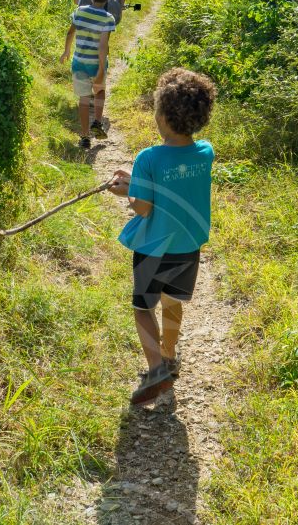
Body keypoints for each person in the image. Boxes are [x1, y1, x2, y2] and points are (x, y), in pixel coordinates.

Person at [107, 67, 217, 407]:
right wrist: (137, 178)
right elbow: (173, 181)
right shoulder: (206, 152)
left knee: (143, 308)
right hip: (188, 247)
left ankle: (156, 369)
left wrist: (126, 189)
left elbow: (142, 207)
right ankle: (169, 355)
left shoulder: (149, 157)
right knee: (172, 302)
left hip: (154, 248)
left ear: (165, 116)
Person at [69, 0, 129, 137]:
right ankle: (99, 79)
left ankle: (86, 84)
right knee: (104, 41)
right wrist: (120, 2)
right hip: (109, 2)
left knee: (83, 37)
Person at [61, 0, 118, 150]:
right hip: (96, 64)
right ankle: (98, 122)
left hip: (79, 63)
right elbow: (103, 47)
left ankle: (85, 136)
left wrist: (66, 51)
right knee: (99, 92)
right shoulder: (108, 19)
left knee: (84, 99)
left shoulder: (79, 12)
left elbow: (70, 32)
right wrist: (101, 70)